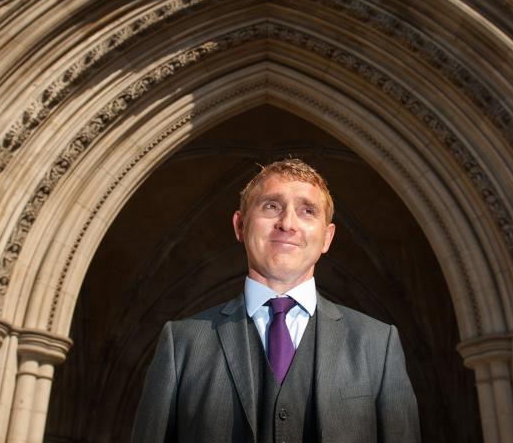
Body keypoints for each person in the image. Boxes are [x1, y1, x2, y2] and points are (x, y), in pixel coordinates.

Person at [132, 158, 421, 442]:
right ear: (240, 225)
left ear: (327, 238)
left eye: (307, 211)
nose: (287, 223)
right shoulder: (181, 344)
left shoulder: (377, 344)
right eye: (271, 206)